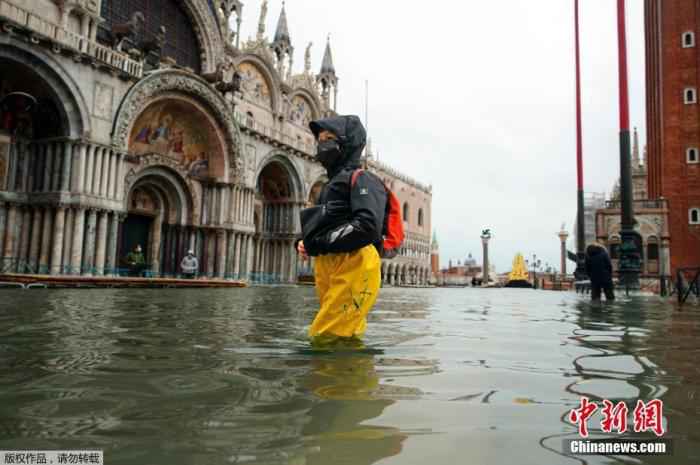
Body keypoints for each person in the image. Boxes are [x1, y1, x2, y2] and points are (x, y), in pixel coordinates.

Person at [297, 115, 388, 346]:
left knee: (326, 336)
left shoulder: (363, 179)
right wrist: (304, 241)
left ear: (348, 142)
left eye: (329, 138)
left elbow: (367, 226)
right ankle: (350, 378)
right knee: (343, 331)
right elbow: (327, 222)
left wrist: (319, 243)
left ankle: (333, 380)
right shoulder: (329, 185)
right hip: (330, 264)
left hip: (355, 262)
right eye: (320, 139)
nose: (322, 144)